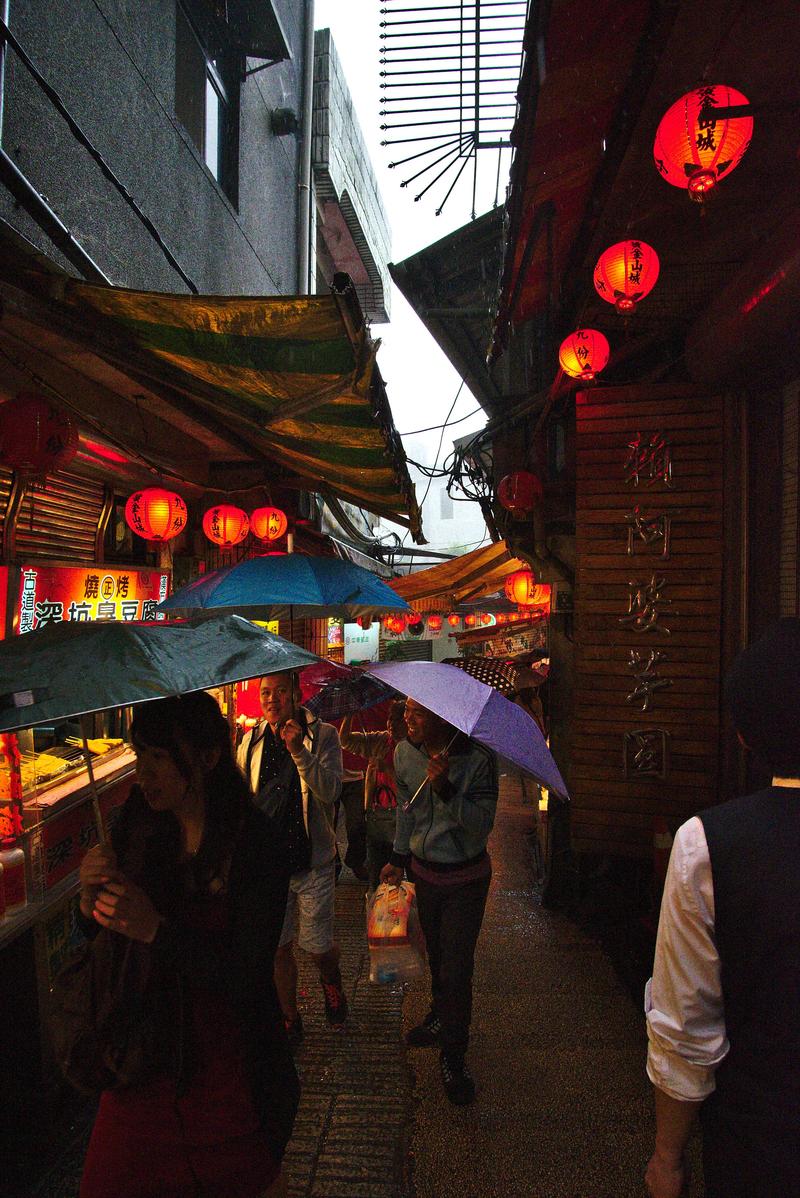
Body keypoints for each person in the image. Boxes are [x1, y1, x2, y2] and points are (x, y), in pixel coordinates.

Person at [77, 691, 298, 1198]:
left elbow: (246, 978)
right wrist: (91, 904)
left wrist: (156, 929)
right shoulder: (138, 821)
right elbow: (105, 939)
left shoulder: (255, 845)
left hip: (227, 1072)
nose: (142, 775)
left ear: (207, 757)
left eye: (157, 759)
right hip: (144, 1059)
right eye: (139, 756)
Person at [644, 617, 800, 1198]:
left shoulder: (707, 845)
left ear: (744, 736)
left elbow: (686, 1027)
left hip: (761, 1144)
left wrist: (668, 1158)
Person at [381, 698, 498, 1106]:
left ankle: (453, 1055)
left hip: (465, 879)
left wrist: (447, 788)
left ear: (442, 716)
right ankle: (438, 1012)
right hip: (424, 875)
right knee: (437, 957)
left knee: (456, 967)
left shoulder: (477, 758)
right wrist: (397, 858)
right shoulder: (404, 753)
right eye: (408, 712)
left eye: (418, 713)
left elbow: (483, 824)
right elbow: (404, 811)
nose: (407, 719)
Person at [237, 669, 346, 1046]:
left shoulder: (323, 736)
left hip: (311, 858)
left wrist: (299, 751)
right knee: (278, 946)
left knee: (316, 947)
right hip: (268, 864)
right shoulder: (250, 740)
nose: (271, 699)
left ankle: (330, 978)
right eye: (265, 691)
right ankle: (289, 1018)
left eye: (280, 691)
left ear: (297, 694)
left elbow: (331, 792)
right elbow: (241, 801)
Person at [340, 699, 407, 889]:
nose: (392, 725)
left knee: (405, 877)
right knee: (378, 876)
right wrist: (350, 714)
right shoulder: (381, 740)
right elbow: (345, 740)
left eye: (397, 720)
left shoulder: (413, 750)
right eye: (390, 719)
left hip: (403, 818)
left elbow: (410, 791)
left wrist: (387, 769)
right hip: (378, 815)